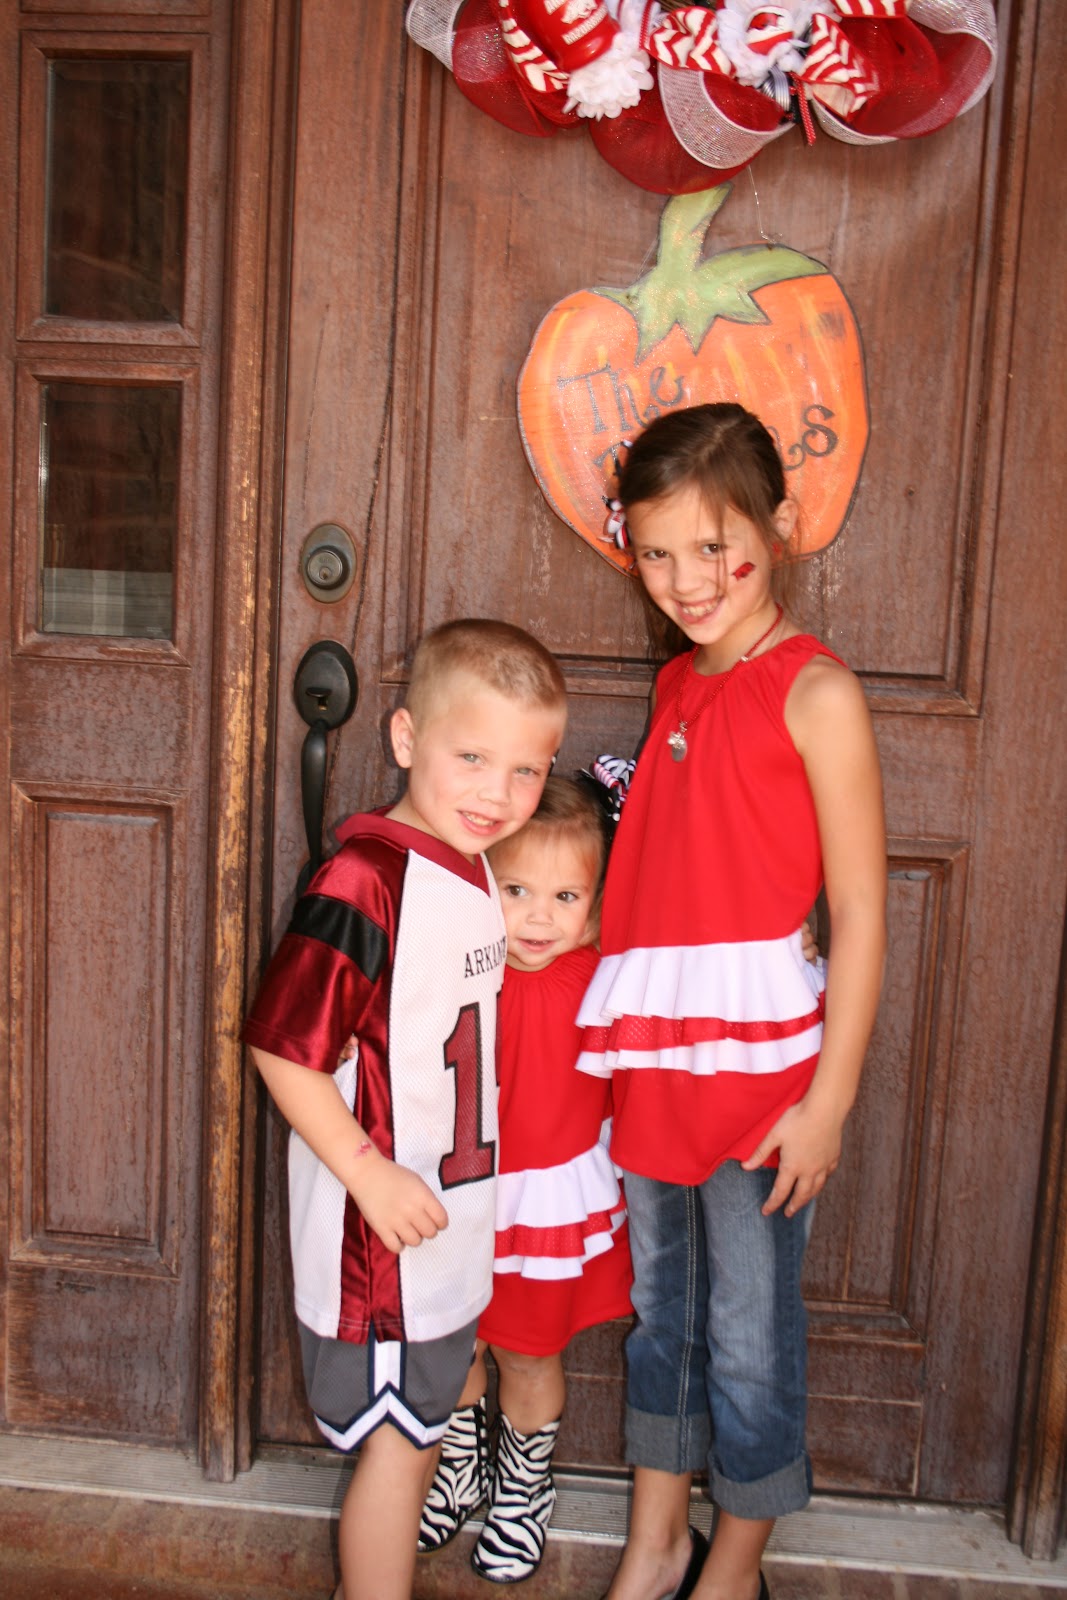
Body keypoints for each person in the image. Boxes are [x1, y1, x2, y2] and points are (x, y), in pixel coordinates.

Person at [577, 403, 887, 1600]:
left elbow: (856, 909)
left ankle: (733, 1564)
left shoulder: (814, 692)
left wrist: (829, 1104)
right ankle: (656, 1543)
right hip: (657, 1065)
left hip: (763, 1083)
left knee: (750, 1333)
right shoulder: (672, 684)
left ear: (778, 526)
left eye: (713, 548)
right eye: (657, 553)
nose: (685, 580)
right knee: (663, 1313)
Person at [242, 618, 568, 1600]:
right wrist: (368, 1174)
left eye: (524, 769)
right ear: (404, 738)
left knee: (418, 1434)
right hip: (378, 1251)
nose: (496, 792)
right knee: (398, 1446)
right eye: (471, 757)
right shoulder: (365, 879)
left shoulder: (471, 865)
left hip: (442, 1233)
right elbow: (280, 1045)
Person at [418, 776, 635, 1584]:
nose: (539, 918)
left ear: (597, 904)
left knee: (529, 1354)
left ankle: (523, 1487)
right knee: (450, 1343)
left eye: (564, 896)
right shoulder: (460, 967)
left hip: (546, 1205)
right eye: (516, 891)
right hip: (460, 1192)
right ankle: (459, 1466)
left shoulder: (607, 976)